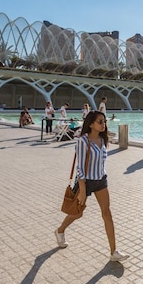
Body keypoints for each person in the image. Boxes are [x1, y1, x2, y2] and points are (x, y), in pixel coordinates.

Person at [55, 111, 130, 262]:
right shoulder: (83, 141)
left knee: (107, 213)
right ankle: (60, 231)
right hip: (86, 182)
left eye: (104, 121)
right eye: (100, 122)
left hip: (101, 180)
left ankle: (113, 252)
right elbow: (80, 168)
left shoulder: (103, 140)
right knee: (78, 213)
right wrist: (82, 190)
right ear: (91, 124)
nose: (103, 124)